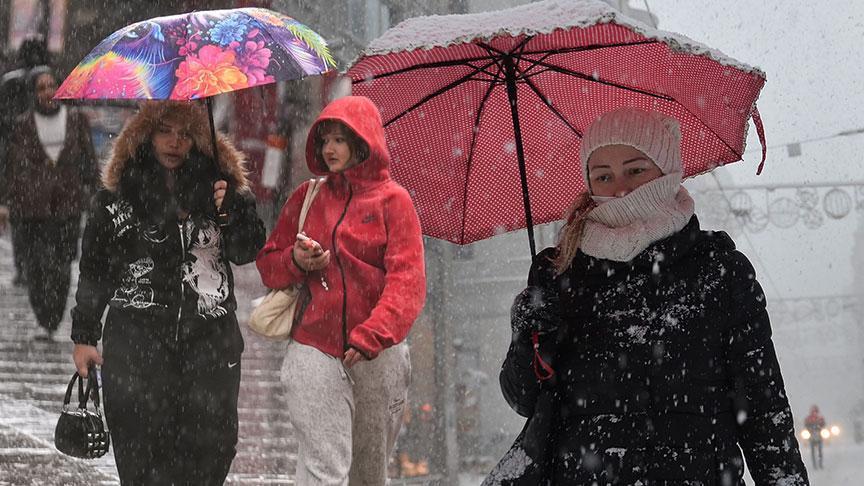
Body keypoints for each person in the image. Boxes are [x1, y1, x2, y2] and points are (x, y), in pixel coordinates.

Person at [484, 107, 809, 485]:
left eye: (636, 170)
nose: (620, 188)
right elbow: (522, 397)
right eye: (603, 176)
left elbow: (763, 410)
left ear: (667, 169)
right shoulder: (558, 271)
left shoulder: (719, 269)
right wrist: (528, 334)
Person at [70, 101, 266, 484]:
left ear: (200, 140)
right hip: (137, 346)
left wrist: (230, 212)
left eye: (186, 133)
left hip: (210, 345)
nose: (175, 142)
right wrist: (84, 336)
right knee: (141, 455)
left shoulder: (222, 189)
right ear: (145, 136)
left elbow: (247, 250)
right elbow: (94, 268)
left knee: (212, 451)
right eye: (165, 131)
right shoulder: (118, 198)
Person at [256, 95, 426, 485]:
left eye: (339, 139)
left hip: (377, 354)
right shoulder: (307, 197)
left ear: (363, 142)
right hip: (313, 346)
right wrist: (297, 262)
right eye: (324, 140)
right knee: (323, 468)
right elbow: (269, 266)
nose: (329, 149)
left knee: (369, 472)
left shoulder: (394, 202)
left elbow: (408, 281)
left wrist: (373, 334)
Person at [0, 66, 98, 339]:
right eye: (41, 88)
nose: (48, 92)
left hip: (67, 207)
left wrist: (95, 194)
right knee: (36, 265)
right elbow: (10, 168)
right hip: (31, 209)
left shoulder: (77, 121)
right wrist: (5, 202)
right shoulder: (22, 125)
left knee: (61, 265)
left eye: (52, 85)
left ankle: (53, 319)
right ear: (33, 93)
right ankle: (43, 316)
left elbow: (88, 162)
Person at [804, 405, 826, 470]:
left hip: (816, 435)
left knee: (816, 451)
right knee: (818, 451)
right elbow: (806, 425)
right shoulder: (819, 418)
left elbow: (823, 424)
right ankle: (818, 464)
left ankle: (817, 464)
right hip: (814, 436)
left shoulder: (817, 418)